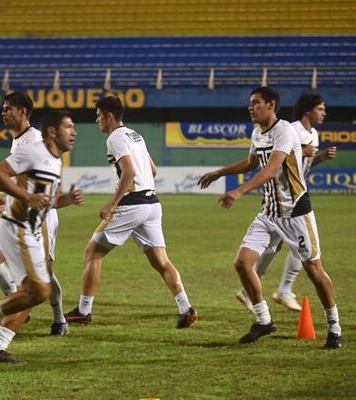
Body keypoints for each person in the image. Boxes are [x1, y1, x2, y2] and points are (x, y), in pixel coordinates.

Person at [198, 87, 341, 349]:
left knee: (314, 270)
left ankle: (334, 327)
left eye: (255, 103)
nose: (250, 108)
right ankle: (264, 321)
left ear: (271, 105)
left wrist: (240, 190)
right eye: (250, 104)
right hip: (269, 212)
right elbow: (252, 162)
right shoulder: (257, 132)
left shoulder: (285, 130)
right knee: (242, 263)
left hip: (295, 211)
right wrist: (220, 173)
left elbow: (274, 168)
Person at [64, 96, 198, 329]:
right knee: (161, 261)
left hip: (131, 205)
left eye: (98, 116)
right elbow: (152, 170)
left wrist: (112, 203)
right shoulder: (137, 135)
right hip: (152, 205)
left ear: (109, 116)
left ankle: (84, 311)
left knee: (92, 252)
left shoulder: (114, 138)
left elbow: (129, 171)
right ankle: (186, 308)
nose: (97, 121)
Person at [0, 110, 79, 363]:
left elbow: (45, 203)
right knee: (38, 290)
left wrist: (67, 200)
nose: (74, 132)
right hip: (17, 228)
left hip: (32, 231)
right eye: (69, 127)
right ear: (52, 131)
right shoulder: (33, 151)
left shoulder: (56, 161)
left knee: (34, 292)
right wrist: (25, 197)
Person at [235, 92, 337, 313]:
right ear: (308, 110)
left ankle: (265, 290)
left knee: (280, 246)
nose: (324, 113)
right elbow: (278, 163)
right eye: (320, 108)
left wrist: (318, 158)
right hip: (281, 199)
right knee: (291, 248)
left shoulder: (314, 134)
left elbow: (301, 168)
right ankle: (280, 289)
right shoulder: (290, 129)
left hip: (295, 195)